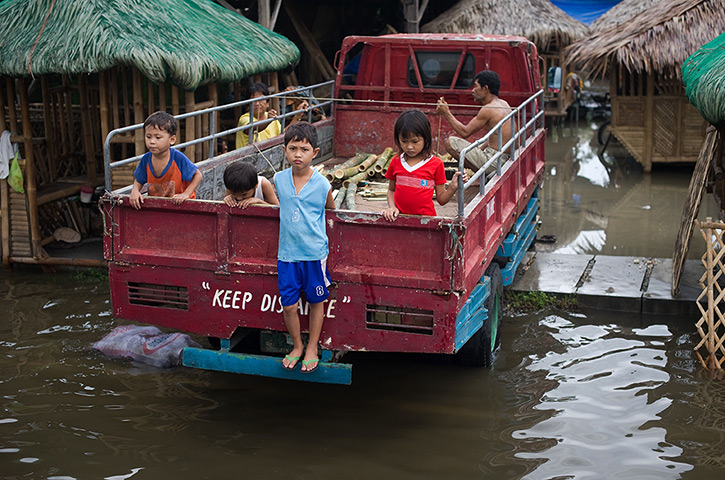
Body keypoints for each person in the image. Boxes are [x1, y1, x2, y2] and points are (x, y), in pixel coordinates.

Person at [274, 122, 335, 373]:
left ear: (315, 153)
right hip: (287, 254)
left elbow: (330, 209)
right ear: (285, 150)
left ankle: (312, 346)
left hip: (313, 254)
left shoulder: (322, 184)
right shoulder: (278, 179)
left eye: (304, 149)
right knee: (289, 305)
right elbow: (267, 200)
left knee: (316, 300)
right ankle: (297, 345)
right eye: (293, 148)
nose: (298, 154)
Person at [382, 109, 465, 221]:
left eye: (415, 141)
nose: (409, 146)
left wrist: (453, 187)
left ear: (425, 139)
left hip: (427, 222)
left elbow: (441, 199)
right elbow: (391, 190)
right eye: (404, 141)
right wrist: (392, 207)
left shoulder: (436, 164)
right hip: (399, 220)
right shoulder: (396, 161)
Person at [436, 70, 513, 173]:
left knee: (450, 143)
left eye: (476, 86)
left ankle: (479, 174)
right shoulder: (504, 103)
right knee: (477, 145)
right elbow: (494, 136)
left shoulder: (488, 109)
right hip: (504, 157)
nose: (473, 90)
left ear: (485, 89)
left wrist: (446, 113)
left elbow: (465, 132)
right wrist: (480, 148)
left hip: (494, 161)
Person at [129, 111, 202, 210]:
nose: (152, 141)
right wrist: (135, 190)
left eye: (158, 137)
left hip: (182, 206)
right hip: (158, 207)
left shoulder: (178, 158)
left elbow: (198, 175)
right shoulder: (146, 159)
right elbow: (139, 179)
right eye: (148, 137)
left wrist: (186, 194)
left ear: (172, 140)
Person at [235, 83, 281, 149]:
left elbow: (283, 133)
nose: (257, 103)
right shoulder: (244, 119)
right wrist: (268, 120)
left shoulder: (271, 117)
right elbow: (252, 128)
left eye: (261, 99)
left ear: (267, 103)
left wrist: (296, 117)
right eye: (253, 100)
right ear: (248, 104)